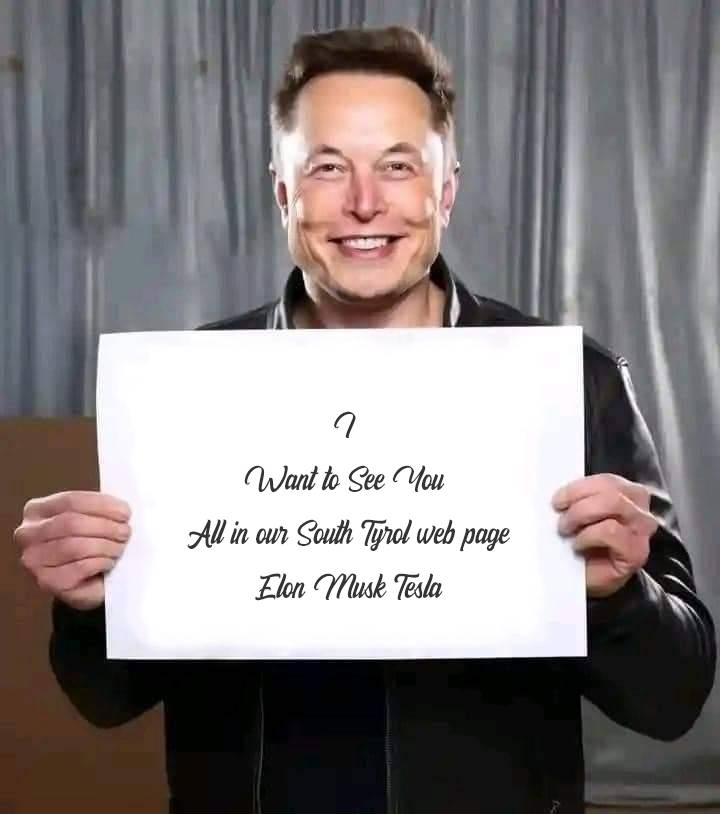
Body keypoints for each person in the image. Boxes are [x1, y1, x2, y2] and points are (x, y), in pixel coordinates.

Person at [14, 25, 716, 814]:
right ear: (283, 192)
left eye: (397, 165)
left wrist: (619, 597)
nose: (364, 202)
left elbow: (673, 700)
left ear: (445, 190)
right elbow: (107, 701)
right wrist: (89, 603)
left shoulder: (572, 382)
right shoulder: (187, 390)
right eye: (327, 167)